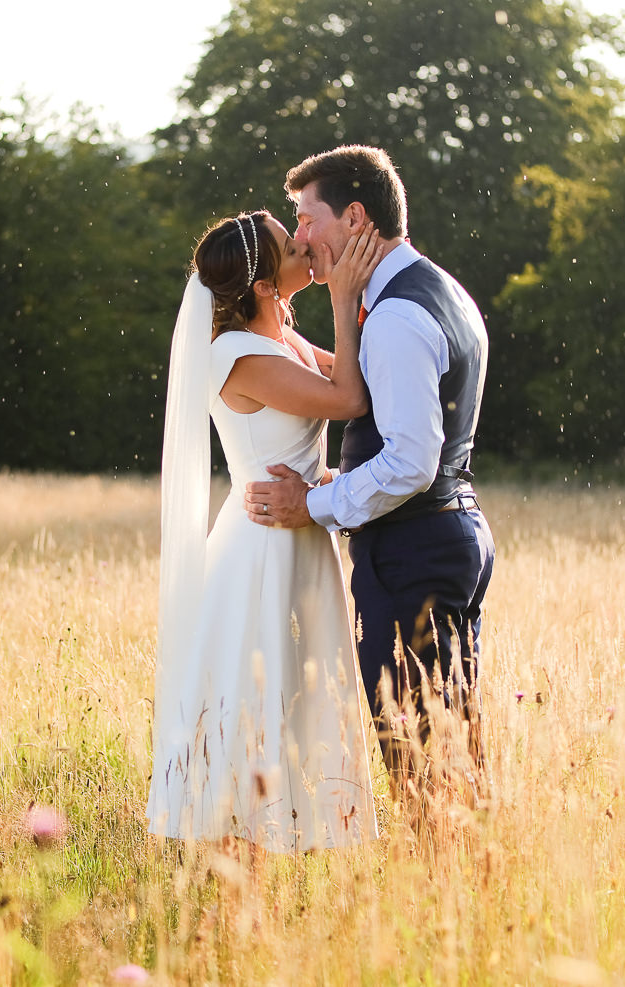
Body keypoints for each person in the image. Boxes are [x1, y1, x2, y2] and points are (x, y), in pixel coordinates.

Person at [244, 145, 496, 805]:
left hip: (412, 551)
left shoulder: (395, 319)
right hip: (450, 533)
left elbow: (413, 460)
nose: (299, 237)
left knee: (419, 761)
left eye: (307, 218)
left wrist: (316, 505)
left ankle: (442, 889)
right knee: (453, 747)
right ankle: (471, 888)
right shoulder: (439, 289)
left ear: (355, 217)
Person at [147, 208, 388, 853]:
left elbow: (358, 373)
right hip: (262, 546)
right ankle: (243, 849)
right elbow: (347, 400)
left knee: (302, 690)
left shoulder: (281, 336)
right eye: (291, 244)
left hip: (302, 529)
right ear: (261, 285)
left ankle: (297, 836)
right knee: (261, 693)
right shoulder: (238, 355)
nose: (303, 244)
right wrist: (341, 297)